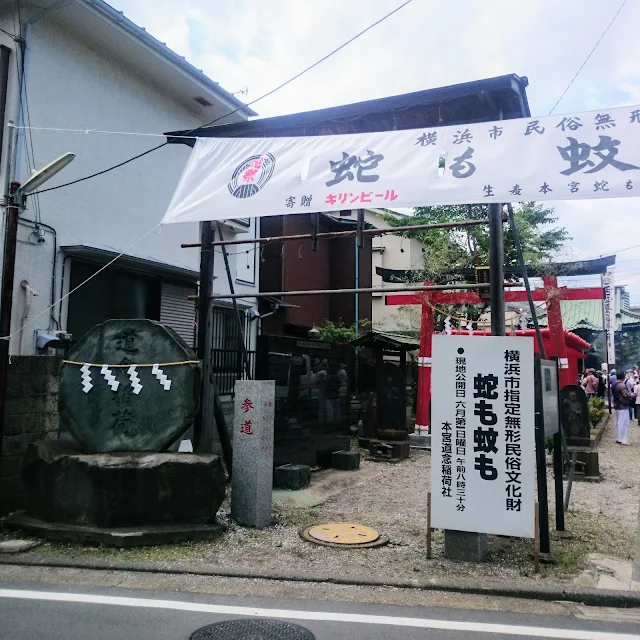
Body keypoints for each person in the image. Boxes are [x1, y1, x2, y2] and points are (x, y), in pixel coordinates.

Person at [613, 371, 632, 445]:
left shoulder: (614, 384)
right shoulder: (622, 385)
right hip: (623, 406)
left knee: (617, 423)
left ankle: (618, 438)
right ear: (623, 377)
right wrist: (631, 395)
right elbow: (626, 395)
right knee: (623, 423)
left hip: (616, 405)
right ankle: (623, 439)